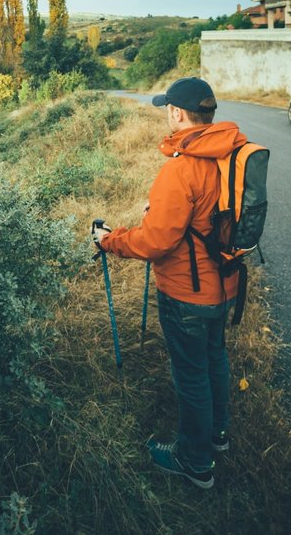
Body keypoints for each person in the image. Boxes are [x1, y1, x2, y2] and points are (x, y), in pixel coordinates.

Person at [94, 76, 248, 490]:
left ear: (178, 113)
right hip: (225, 286)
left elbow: (155, 241)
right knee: (215, 358)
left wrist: (110, 241)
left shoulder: (181, 169)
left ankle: (194, 462)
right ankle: (218, 435)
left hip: (186, 294)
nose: (167, 114)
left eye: (168, 109)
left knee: (191, 374)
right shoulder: (230, 156)